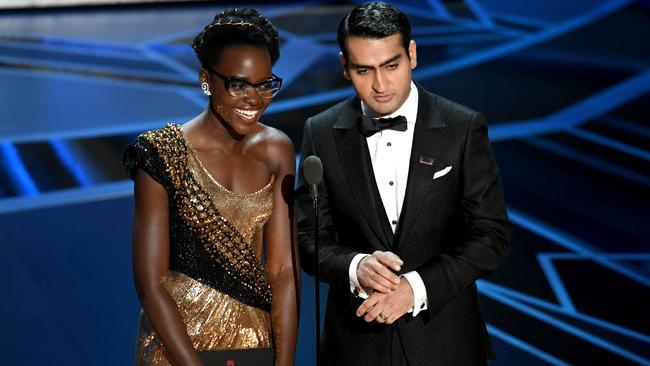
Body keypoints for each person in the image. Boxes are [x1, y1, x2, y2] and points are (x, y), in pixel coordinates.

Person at [295, 2, 510, 365]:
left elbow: (491, 236)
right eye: (364, 70)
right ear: (345, 67)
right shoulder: (321, 132)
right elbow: (307, 237)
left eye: (391, 66)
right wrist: (354, 266)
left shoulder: (462, 127)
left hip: (445, 344)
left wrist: (415, 288)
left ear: (411, 54)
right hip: (355, 346)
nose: (380, 85)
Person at [123, 7, 299, 366]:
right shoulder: (161, 153)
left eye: (265, 84)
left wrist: (285, 363)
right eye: (238, 84)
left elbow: (282, 271)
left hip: (255, 343)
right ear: (206, 79)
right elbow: (150, 285)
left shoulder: (277, 150)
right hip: (176, 350)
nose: (254, 98)